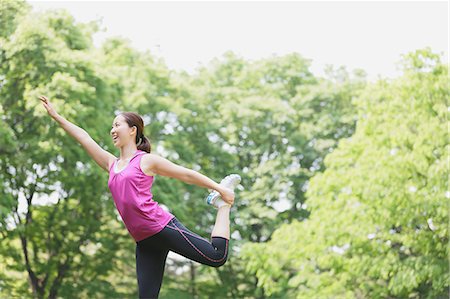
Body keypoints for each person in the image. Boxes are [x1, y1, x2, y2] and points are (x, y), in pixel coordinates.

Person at [39, 95, 241, 299]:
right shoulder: (111, 164)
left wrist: (219, 188)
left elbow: (185, 174)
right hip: (144, 241)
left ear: (132, 130)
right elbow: (84, 138)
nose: (112, 130)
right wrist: (56, 116)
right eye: (112, 126)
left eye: (117, 125)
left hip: (161, 227)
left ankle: (222, 205)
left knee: (217, 256)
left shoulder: (145, 161)